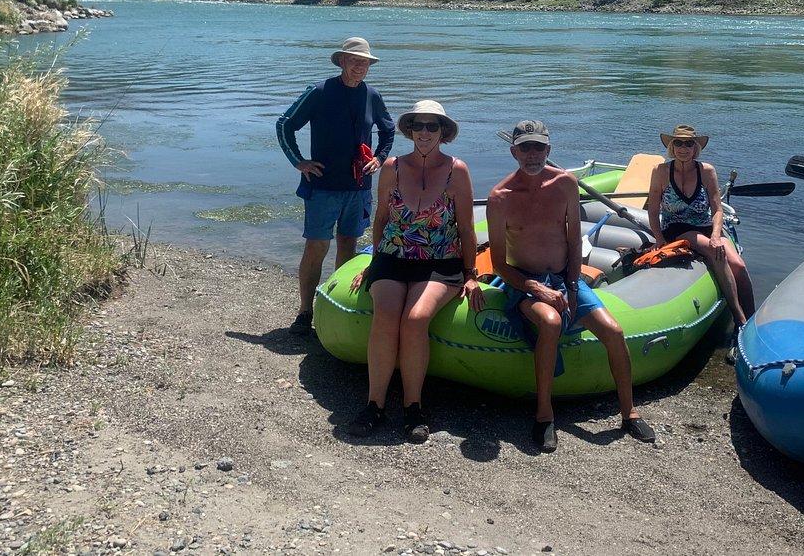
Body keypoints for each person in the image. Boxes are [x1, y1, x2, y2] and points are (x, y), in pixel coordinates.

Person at [486, 119, 656, 453]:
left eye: (538, 147)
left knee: (614, 331)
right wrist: (538, 290)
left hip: (566, 278)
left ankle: (629, 412)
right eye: (525, 148)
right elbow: (500, 265)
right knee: (549, 322)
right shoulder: (500, 197)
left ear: (548, 150)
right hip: (525, 283)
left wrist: (573, 287)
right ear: (513, 152)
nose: (532, 154)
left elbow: (573, 240)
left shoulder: (564, 184)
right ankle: (544, 415)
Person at [343, 100, 481, 442]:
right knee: (386, 314)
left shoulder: (456, 170)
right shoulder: (392, 167)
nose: (424, 133)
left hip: (440, 262)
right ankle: (374, 404)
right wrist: (372, 263)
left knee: (417, 318)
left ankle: (413, 406)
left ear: (443, 132)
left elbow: (466, 228)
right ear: (410, 131)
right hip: (393, 257)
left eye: (432, 126)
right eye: (418, 126)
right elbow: (381, 220)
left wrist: (471, 274)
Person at [276, 37, 395, 336]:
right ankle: (305, 311)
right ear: (341, 61)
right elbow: (284, 124)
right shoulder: (319, 92)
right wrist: (299, 161)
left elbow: (389, 130)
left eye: (364, 61)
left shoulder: (372, 95)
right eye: (354, 60)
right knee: (316, 246)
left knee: (348, 244)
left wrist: (380, 159)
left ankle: (334, 303)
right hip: (323, 186)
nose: (359, 66)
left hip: (359, 187)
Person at [647, 125, 755, 336]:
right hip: (677, 228)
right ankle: (739, 318)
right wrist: (658, 238)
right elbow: (653, 208)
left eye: (689, 143)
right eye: (678, 143)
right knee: (714, 251)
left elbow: (716, 209)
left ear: (695, 147)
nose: (683, 148)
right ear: (671, 146)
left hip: (705, 225)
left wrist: (716, 234)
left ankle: (752, 319)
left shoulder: (706, 170)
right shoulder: (661, 172)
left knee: (739, 265)